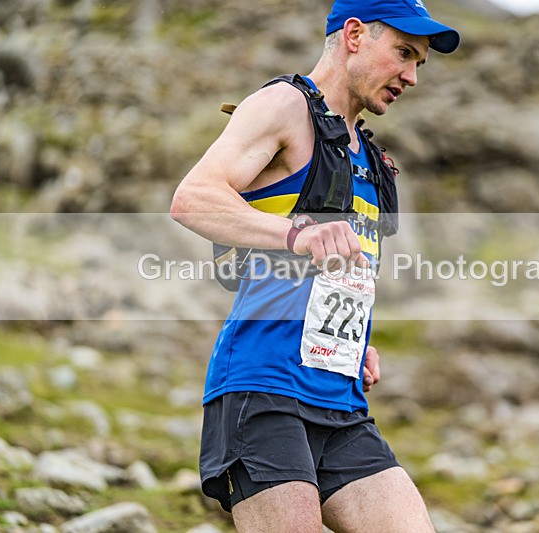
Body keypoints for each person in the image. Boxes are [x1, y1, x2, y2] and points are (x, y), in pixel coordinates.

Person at [170, 0, 459, 531]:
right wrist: (298, 232)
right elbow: (193, 198)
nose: (412, 77)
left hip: (341, 403)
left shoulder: (368, 155)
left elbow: (336, 270)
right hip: (263, 392)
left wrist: (356, 339)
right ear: (353, 35)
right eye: (403, 53)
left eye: (420, 62)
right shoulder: (284, 106)